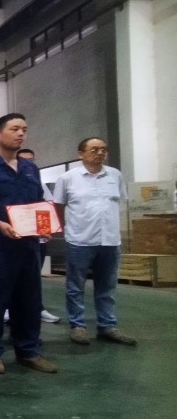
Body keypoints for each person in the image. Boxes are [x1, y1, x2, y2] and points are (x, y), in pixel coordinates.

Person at [0, 113, 58, 374]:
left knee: (29, 299)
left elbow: (38, 202)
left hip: (28, 245)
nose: (21, 134)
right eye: (14, 129)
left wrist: (44, 224)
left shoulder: (30, 169)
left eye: (24, 129)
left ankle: (28, 350)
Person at [53, 137, 136, 346]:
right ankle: (77, 326)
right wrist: (66, 229)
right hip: (80, 241)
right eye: (94, 149)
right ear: (81, 153)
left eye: (103, 150)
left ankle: (107, 326)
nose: (100, 153)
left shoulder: (115, 175)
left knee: (107, 286)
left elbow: (120, 204)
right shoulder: (68, 178)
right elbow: (58, 206)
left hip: (110, 241)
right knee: (75, 286)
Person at [15, 148, 61, 324]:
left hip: (36, 239)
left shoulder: (37, 182)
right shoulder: (6, 182)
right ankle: (8, 309)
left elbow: (45, 206)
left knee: (33, 277)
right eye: (23, 160)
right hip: (12, 238)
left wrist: (46, 229)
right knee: (10, 277)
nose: (28, 164)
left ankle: (37, 308)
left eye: (31, 160)